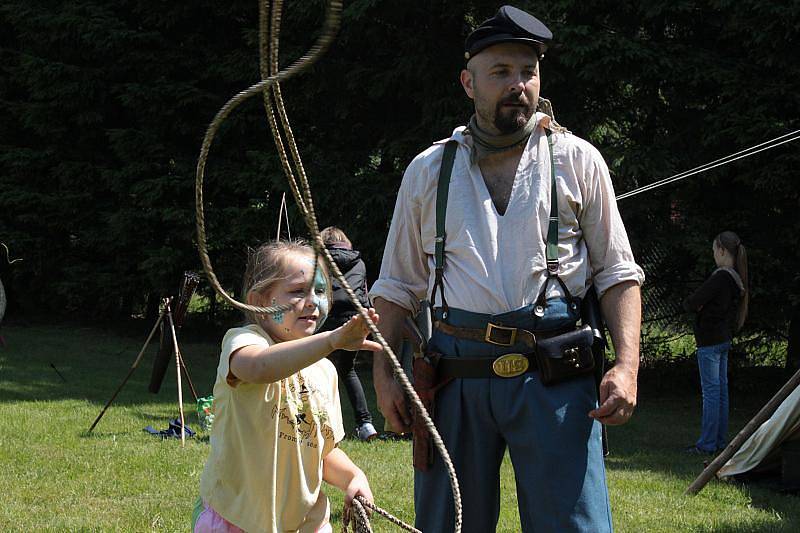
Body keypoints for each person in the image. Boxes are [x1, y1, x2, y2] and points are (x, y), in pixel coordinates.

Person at [369, 6, 644, 532]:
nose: (518, 84)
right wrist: (385, 373)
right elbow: (398, 286)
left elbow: (617, 273)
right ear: (468, 83)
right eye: (501, 72)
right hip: (454, 376)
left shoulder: (578, 160)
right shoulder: (428, 171)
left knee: (573, 525)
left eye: (527, 71)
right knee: (450, 525)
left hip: (555, 372)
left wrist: (627, 366)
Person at [194, 240, 379, 533]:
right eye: (297, 291)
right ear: (259, 301)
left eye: (320, 291)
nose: (313, 302)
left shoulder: (324, 370)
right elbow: (258, 367)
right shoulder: (244, 341)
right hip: (239, 519)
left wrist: (353, 476)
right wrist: (331, 340)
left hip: (307, 524)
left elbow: (323, 449)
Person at [683, 231, 749, 455]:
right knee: (721, 392)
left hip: (710, 341)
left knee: (711, 393)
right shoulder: (736, 279)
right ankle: (719, 442)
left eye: (714, 251)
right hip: (723, 339)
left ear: (722, 250)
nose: (713, 256)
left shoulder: (721, 277)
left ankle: (707, 444)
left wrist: (697, 305)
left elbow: (693, 302)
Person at [319, 226, 378, 441]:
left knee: (315, 369)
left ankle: (322, 423)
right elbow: (363, 290)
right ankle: (365, 424)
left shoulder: (319, 260)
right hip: (353, 319)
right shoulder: (358, 262)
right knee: (347, 370)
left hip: (326, 318)